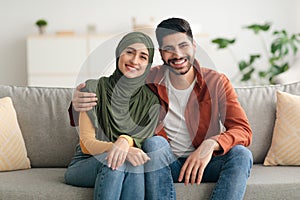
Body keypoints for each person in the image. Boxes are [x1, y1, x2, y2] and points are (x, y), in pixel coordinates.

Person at [70, 18, 253, 200]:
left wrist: (211, 144)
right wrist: (77, 102)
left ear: (194, 46)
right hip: (164, 164)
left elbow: (243, 130)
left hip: (205, 162)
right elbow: (114, 88)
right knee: (154, 144)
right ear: (161, 53)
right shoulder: (148, 79)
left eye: (183, 45)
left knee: (242, 154)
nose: (178, 54)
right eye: (169, 49)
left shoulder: (217, 82)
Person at [65, 32, 160, 200]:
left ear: (148, 64)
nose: (134, 60)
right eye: (129, 52)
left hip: (125, 163)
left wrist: (125, 146)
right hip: (85, 163)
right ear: (119, 54)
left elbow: (141, 138)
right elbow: (86, 144)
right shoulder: (93, 88)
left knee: (131, 163)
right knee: (120, 160)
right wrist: (119, 148)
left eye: (143, 57)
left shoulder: (151, 102)